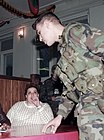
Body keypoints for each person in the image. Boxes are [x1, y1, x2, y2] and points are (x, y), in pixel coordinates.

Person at [32, 11, 104, 139]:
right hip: (87, 109)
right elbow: (70, 90)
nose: (40, 39)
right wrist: (59, 117)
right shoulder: (64, 53)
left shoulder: (75, 32)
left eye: (39, 33)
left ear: (48, 24)